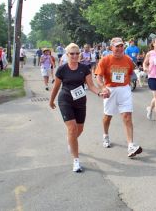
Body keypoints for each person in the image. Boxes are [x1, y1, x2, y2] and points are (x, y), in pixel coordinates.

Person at [49, 43, 110, 172]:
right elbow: (56, 87)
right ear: (67, 55)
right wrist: (51, 100)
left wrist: (99, 93)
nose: (75, 56)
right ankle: (76, 161)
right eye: (72, 53)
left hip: (80, 101)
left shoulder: (84, 69)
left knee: (80, 129)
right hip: (65, 100)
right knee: (72, 129)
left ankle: (71, 142)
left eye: (77, 53)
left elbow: (91, 85)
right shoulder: (62, 69)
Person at [95, 37, 143, 157]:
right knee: (108, 116)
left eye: (121, 46)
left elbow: (131, 72)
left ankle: (131, 145)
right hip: (110, 90)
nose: (120, 48)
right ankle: (105, 135)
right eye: (117, 46)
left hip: (124, 90)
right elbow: (98, 77)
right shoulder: (105, 60)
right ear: (111, 48)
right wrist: (103, 87)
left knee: (127, 116)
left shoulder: (127, 59)